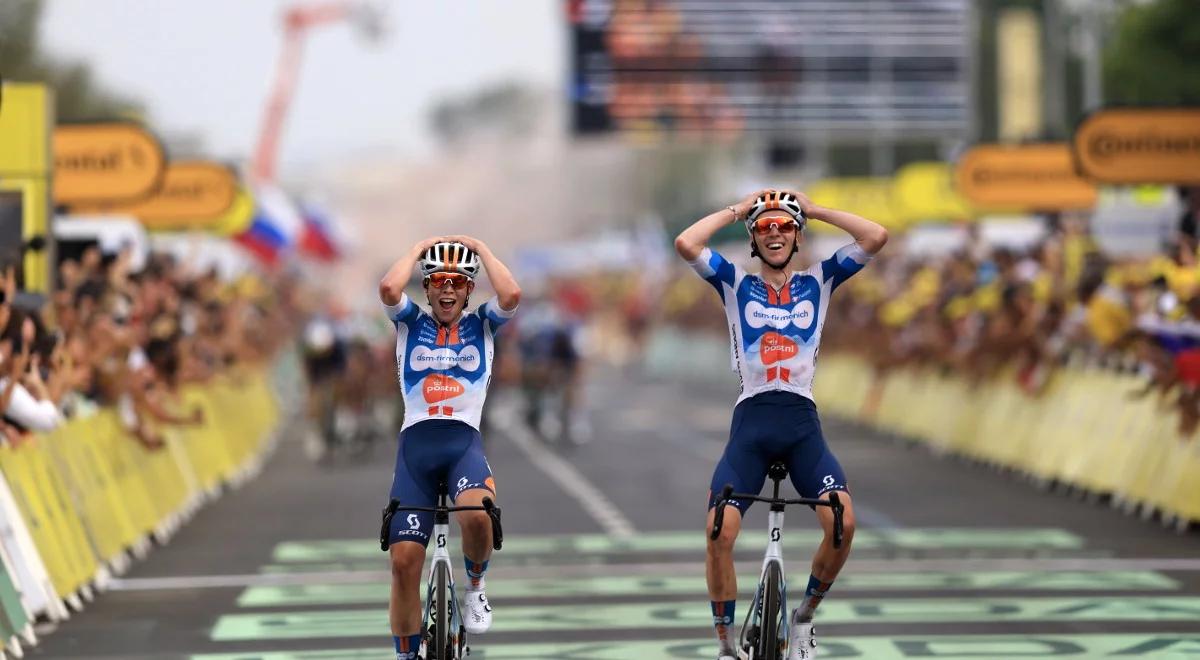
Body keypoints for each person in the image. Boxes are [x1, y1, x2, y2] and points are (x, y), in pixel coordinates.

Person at [674, 189, 887, 660]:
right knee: (718, 534)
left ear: (798, 236)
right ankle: (727, 647)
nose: (775, 233)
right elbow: (687, 243)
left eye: (785, 226)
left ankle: (805, 617)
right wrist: (738, 209)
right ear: (753, 238)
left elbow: (875, 236)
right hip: (751, 421)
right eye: (765, 227)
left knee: (842, 522)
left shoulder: (821, 279)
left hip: (800, 421)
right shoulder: (734, 283)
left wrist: (815, 210)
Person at [378, 237, 520, 660]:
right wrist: (420, 247)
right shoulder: (409, 321)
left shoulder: (483, 324)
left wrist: (481, 247)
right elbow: (388, 288)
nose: (447, 290)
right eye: (438, 280)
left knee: (479, 516)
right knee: (404, 564)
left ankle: (476, 587)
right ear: (426, 286)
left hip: (462, 443)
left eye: (457, 282)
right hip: (416, 448)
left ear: (469, 289)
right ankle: (406, 655)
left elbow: (511, 293)